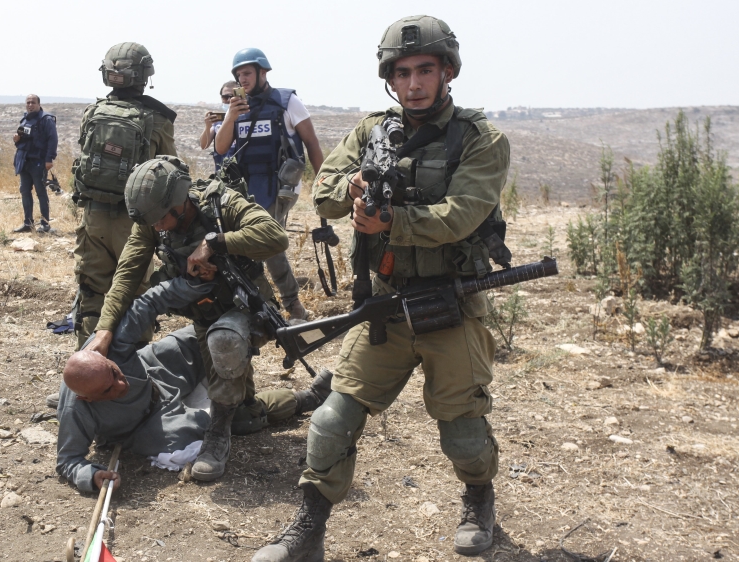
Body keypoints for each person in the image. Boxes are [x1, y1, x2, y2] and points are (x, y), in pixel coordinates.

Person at [252, 16, 512, 561]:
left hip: (452, 304)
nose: (414, 83)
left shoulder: (480, 139)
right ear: (389, 78)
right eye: (402, 73)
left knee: (462, 433)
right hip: (386, 308)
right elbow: (322, 193)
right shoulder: (370, 131)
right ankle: (308, 528)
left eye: (424, 70)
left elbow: (463, 214)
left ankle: (479, 497)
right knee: (329, 421)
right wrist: (351, 190)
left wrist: (392, 220)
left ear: (447, 71)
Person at [86, 156, 288, 483]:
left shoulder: (220, 202)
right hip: (206, 317)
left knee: (225, 342)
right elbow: (127, 274)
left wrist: (216, 243)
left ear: (179, 202)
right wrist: (104, 329)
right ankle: (309, 396)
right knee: (246, 416)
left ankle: (217, 436)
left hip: (248, 310)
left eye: (160, 219)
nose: (156, 228)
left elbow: (274, 236)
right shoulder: (154, 219)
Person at [56, 276, 333, 493]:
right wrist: (91, 476)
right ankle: (308, 398)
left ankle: (277, 335)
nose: (121, 384)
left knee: (219, 338)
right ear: (86, 400)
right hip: (148, 425)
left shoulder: (106, 347)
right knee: (229, 421)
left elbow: (149, 302)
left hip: (158, 372)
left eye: (115, 372)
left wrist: (196, 284)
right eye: (108, 391)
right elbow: (68, 460)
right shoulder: (75, 410)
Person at [73, 42, 177, 350]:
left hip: (92, 216)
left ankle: (84, 377)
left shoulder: (93, 112)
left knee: (91, 291)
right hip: (134, 222)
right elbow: (169, 172)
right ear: (144, 75)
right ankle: (132, 378)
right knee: (136, 295)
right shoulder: (158, 119)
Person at [214, 48, 325, 323]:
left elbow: (311, 142)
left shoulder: (287, 101)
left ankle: (292, 305)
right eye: (239, 75)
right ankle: (259, 304)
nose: (243, 79)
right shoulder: (237, 108)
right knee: (245, 245)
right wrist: (230, 116)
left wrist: (323, 182)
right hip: (247, 186)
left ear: (263, 72)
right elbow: (221, 147)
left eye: (247, 73)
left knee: (268, 242)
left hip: (279, 185)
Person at [13, 94, 58, 233]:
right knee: (25, 191)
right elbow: (23, 141)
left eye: (33, 102)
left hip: (38, 161)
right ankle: (28, 223)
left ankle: (45, 224)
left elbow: (52, 139)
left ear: (39, 104)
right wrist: (17, 139)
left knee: (41, 192)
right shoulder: (25, 119)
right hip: (25, 161)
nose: (30, 105)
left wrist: (49, 159)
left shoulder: (46, 120)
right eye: (28, 102)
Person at [199, 81, 239, 173]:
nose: (229, 100)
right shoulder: (218, 122)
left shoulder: (246, 119)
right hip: (222, 174)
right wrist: (207, 126)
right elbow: (203, 145)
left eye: (232, 96)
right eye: (225, 97)